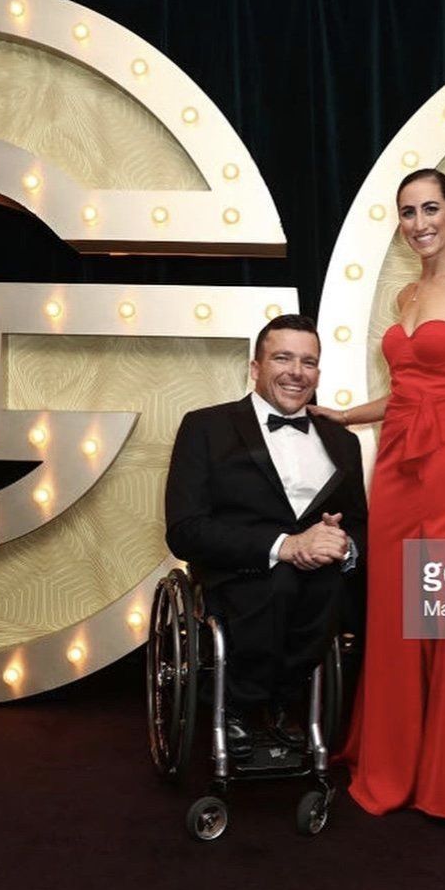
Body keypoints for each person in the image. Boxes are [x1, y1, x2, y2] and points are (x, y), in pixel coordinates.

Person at [309, 169, 445, 824]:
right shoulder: (405, 296)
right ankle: (390, 756)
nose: (419, 222)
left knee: (441, 617)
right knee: (394, 611)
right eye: (407, 212)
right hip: (395, 466)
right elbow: (401, 394)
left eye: (430, 209)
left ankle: (440, 774)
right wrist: (348, 417)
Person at [165, 314, 366, 759]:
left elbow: (358, 524)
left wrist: (345, 544)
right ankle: (241, 703)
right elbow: (184, 529)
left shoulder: (342, 442)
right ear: (255, 368)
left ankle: (280, 702)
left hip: (319, 584)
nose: (297, 371)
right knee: (279, 582)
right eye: (283, 358)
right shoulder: (205, 427)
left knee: (334, 585)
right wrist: (285, 547)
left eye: (308, 362)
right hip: (240, 573)